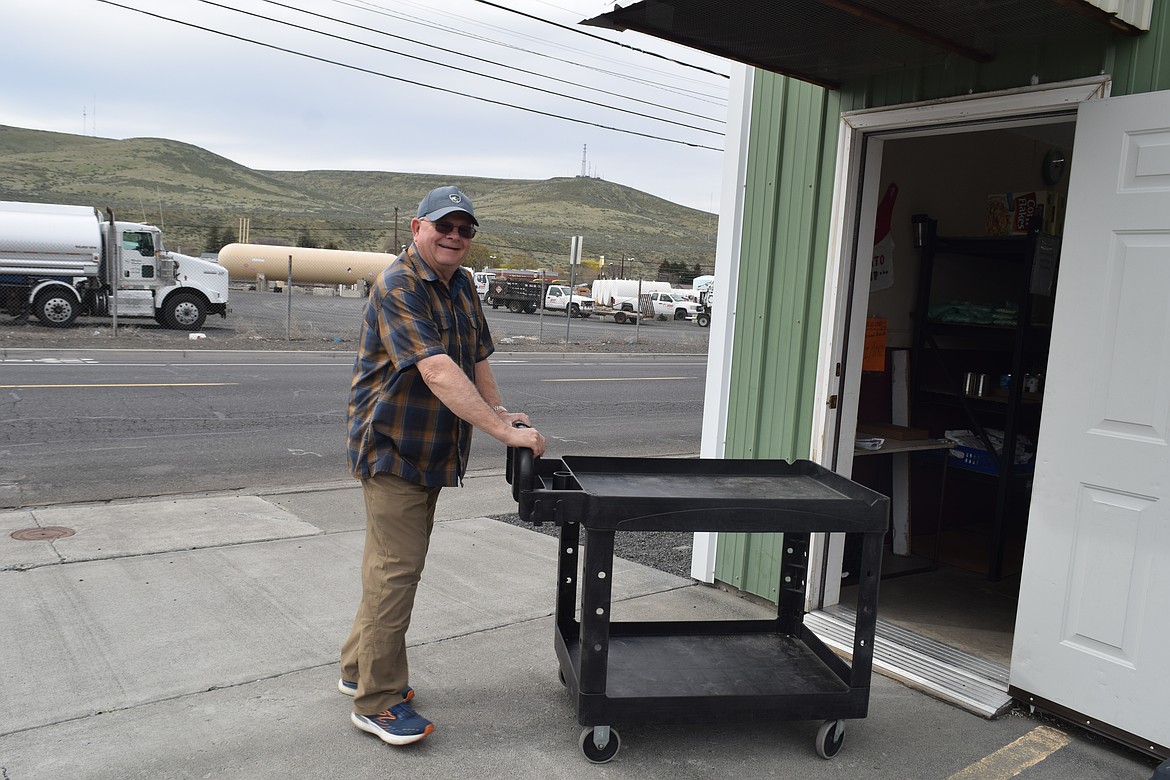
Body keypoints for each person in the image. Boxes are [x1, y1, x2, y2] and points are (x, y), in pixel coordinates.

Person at [339, 185, 546, 746]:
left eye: (464, 229)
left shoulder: (461, 283)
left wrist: (498, 411)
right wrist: (502, 432)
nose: (455, 236)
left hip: (432, 448)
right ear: (417, 228)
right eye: (444, 226)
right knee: (395, 573)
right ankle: (377, 702)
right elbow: (435, 369)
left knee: (388, 566)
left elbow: (474, 357)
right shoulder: (398, 284)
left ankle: (358, 669)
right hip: (393, 447)